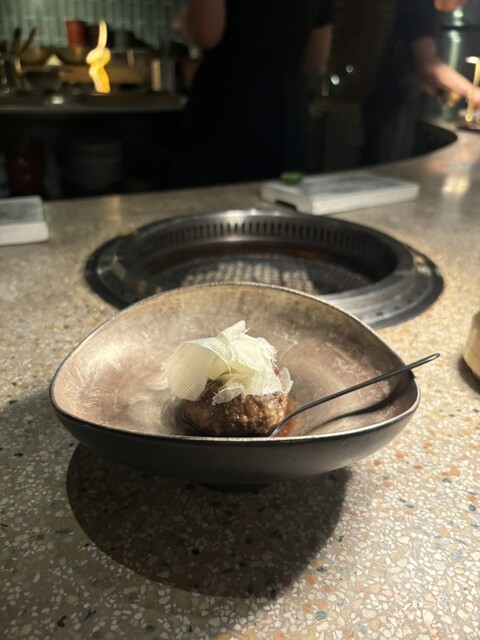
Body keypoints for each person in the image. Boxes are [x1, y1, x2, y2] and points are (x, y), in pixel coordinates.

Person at [173, 0, 334, 188]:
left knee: (212, 197)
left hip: (226, 101)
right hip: (288, 109)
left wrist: (183, 23)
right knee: (284, 196)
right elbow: (316, 58)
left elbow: (206, 32)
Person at [360, 0, 480, 166]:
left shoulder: (425, 10)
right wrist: (473, 92)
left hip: (394, 103)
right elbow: (427, 64)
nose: (463, 3)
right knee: (389, 170)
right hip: (392, 106)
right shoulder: (420, 6)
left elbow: (411, 62)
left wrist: (431, 86)